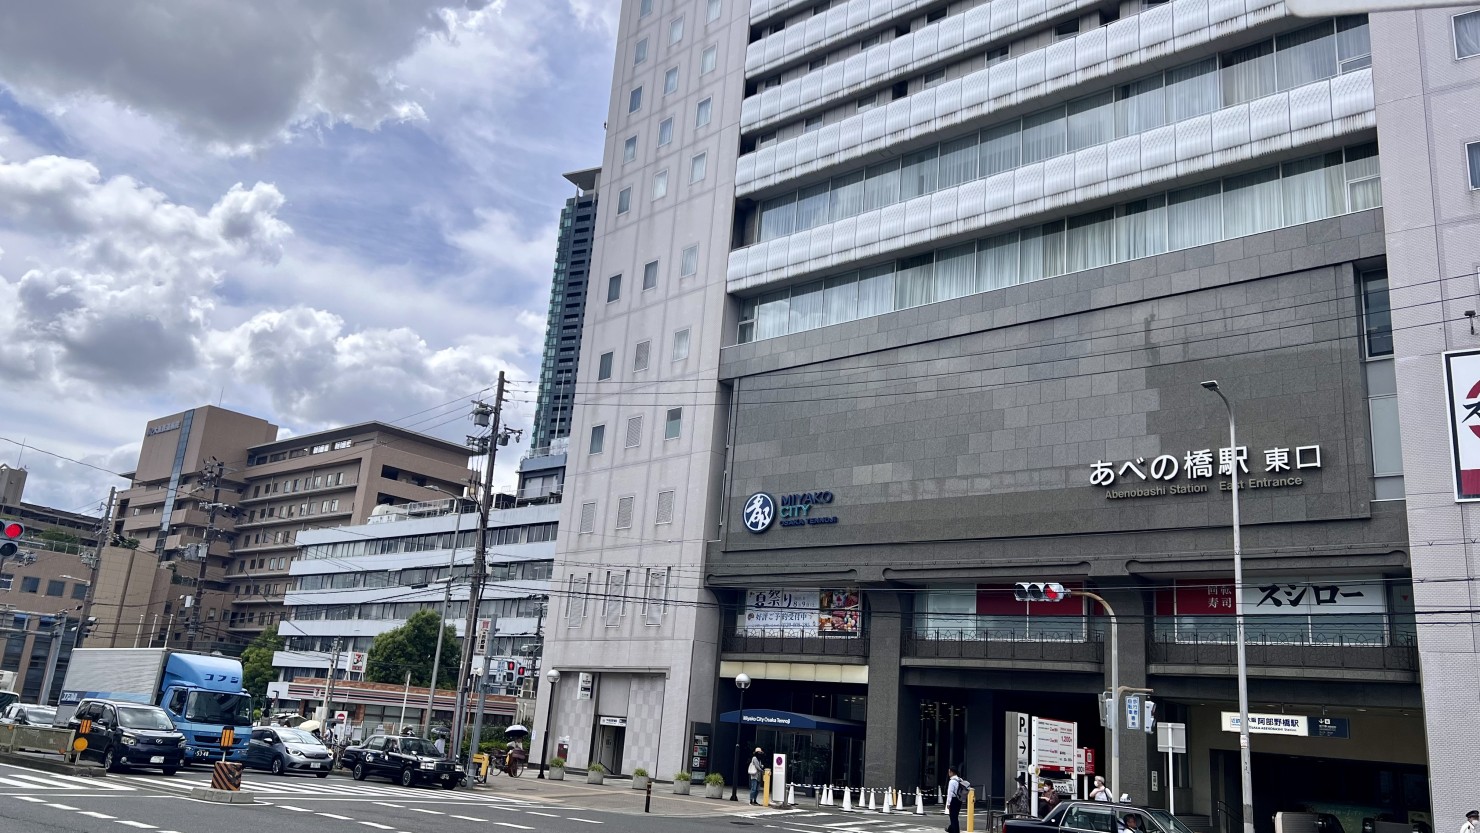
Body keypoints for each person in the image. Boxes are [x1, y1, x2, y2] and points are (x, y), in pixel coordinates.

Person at [945, 765, 970, 833]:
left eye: (949, 772)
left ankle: (954, 830)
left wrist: (948, 803)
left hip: (953, 800)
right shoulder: (960, 779)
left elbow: (950, 793)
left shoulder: (952, 781)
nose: (948, 773)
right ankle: (952, 829)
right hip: (959, 799)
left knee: (953, 817)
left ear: (952, 772)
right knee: (955, 816)